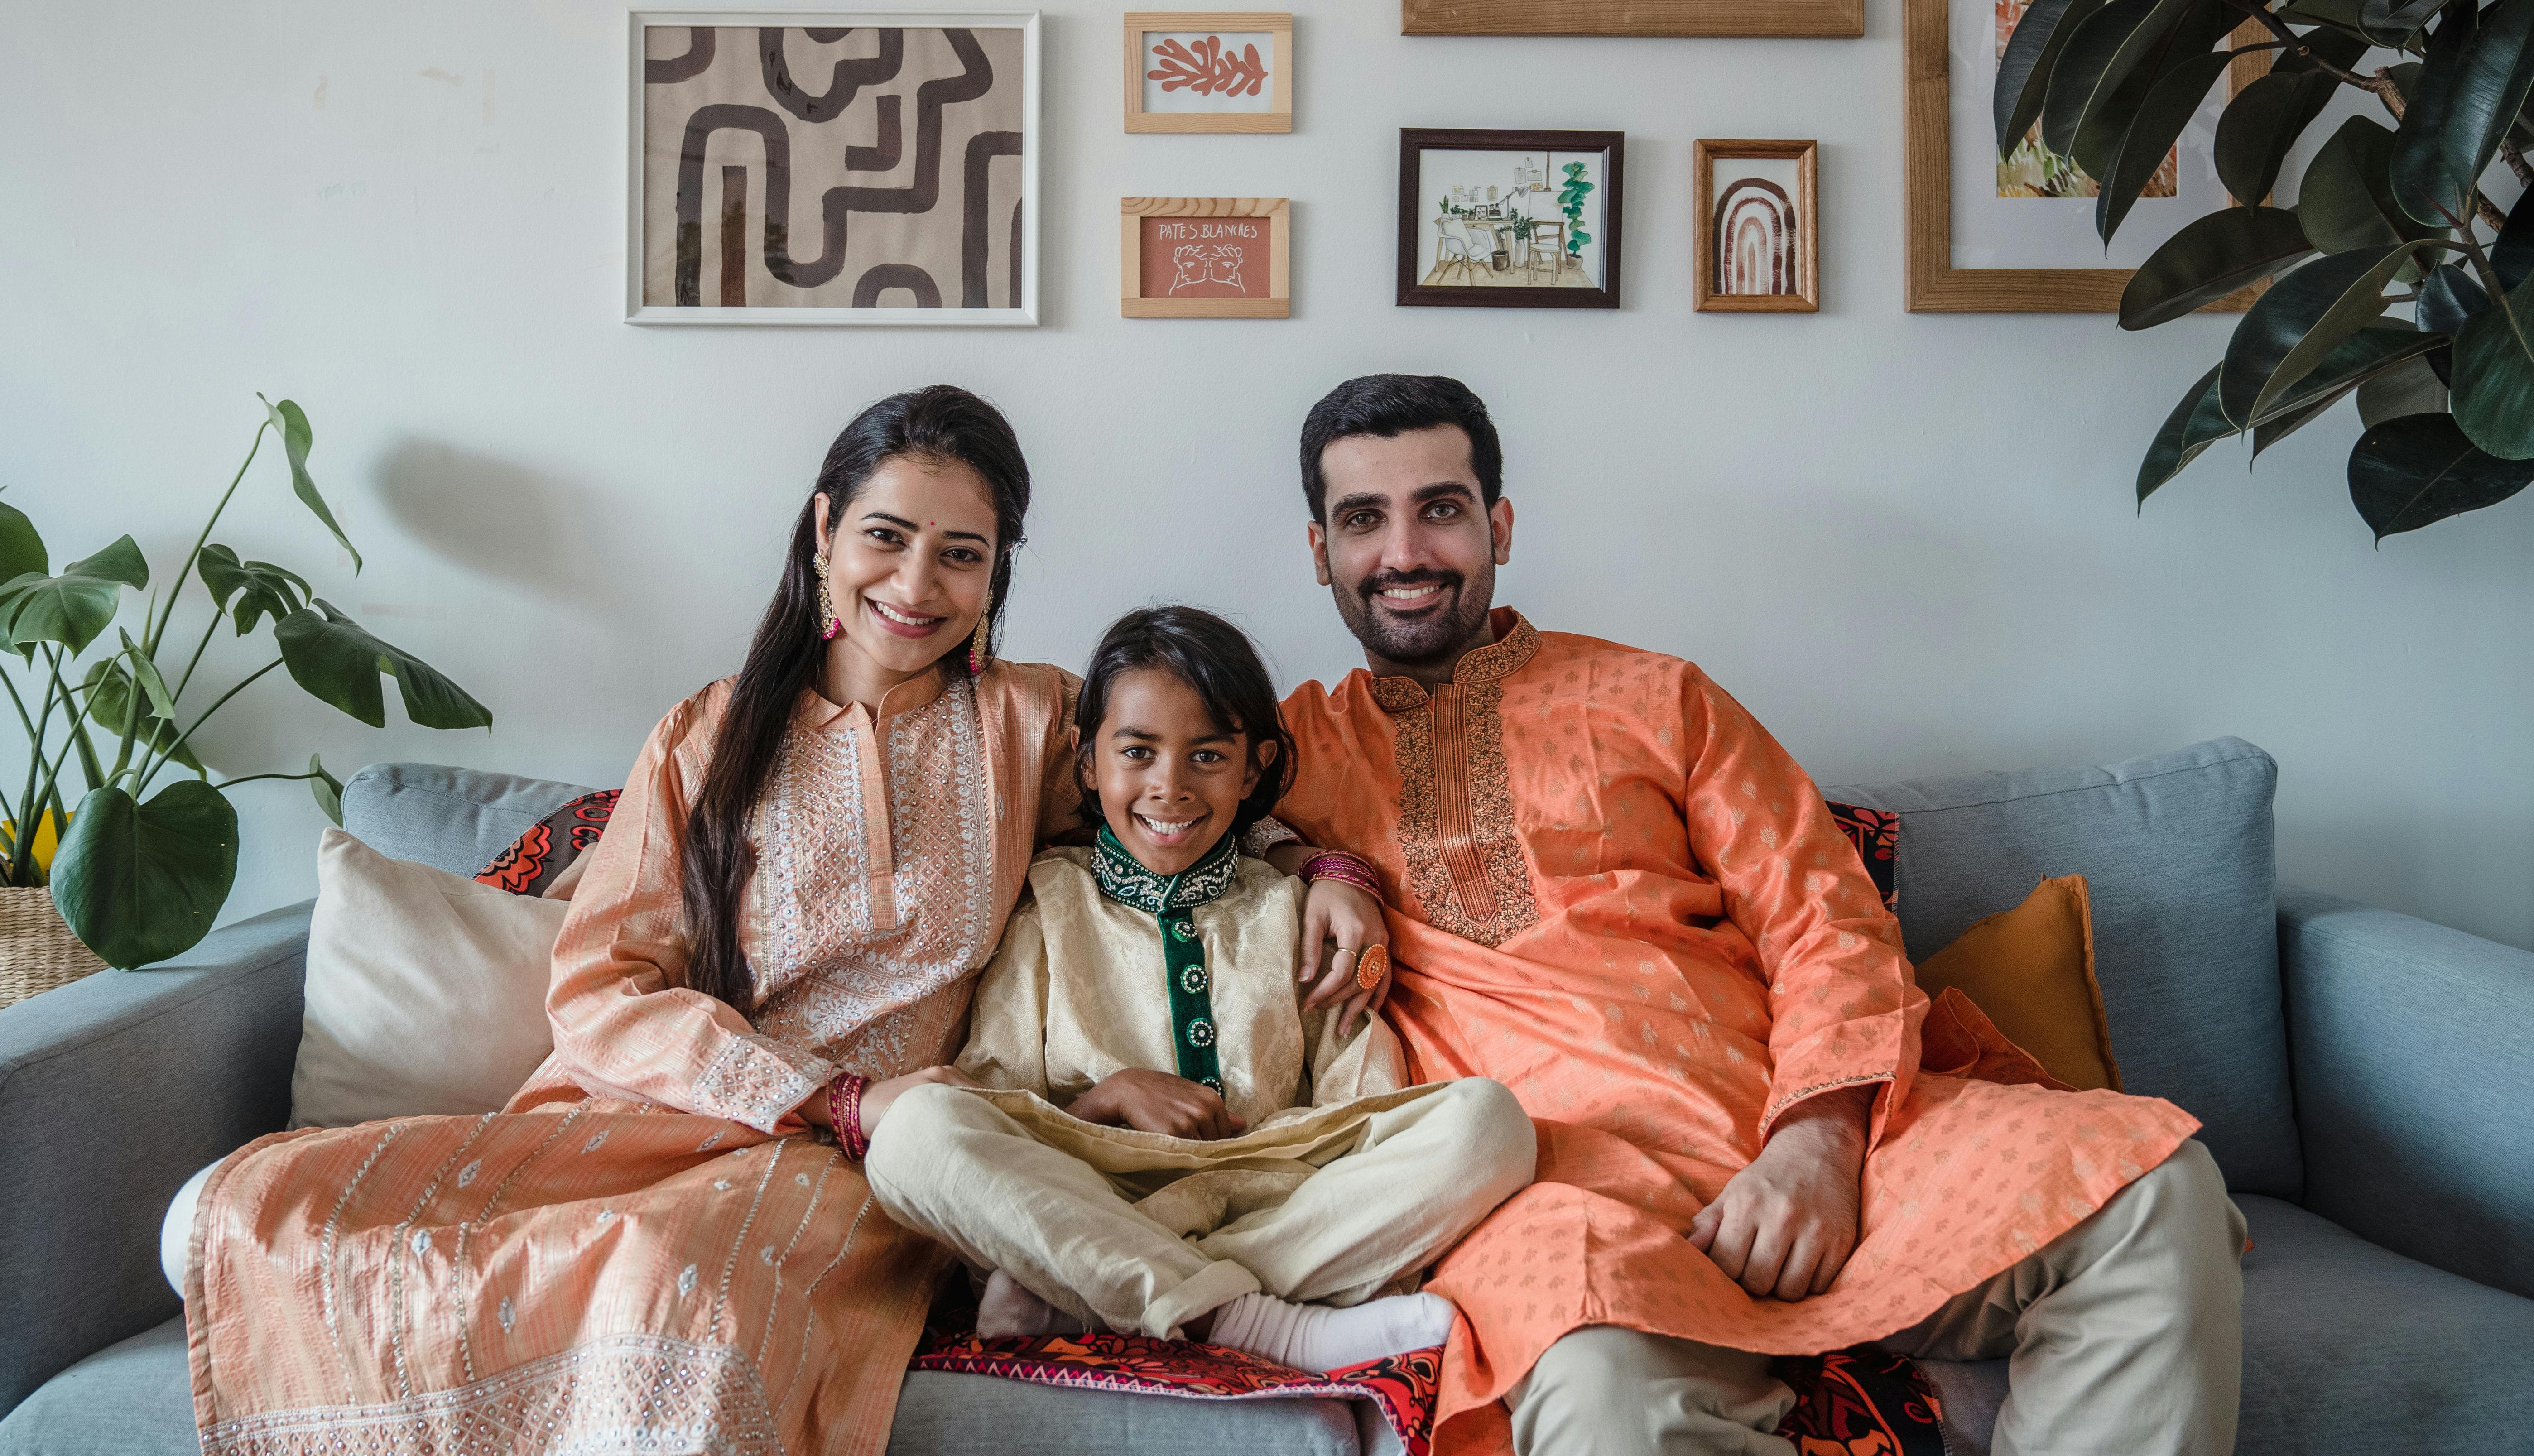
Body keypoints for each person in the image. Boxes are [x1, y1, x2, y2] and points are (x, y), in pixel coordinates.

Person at [173, 387, 1390, 1456]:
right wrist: (807, 1089)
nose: (916, 587)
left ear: (996, 573)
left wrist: (1327, 865)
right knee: (233, 1215)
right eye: (886, 537)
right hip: (662, 1117)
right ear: (823, 529)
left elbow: (1177, 796)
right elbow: (602, 991)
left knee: (671, 1288)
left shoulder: (1029, 724)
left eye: (961, 556)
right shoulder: (706, 736)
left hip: (869, 1163)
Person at [1272, 374, 2247, 1456]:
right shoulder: (1278, 754)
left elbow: (1822, 912)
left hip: (1822, 1143)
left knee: (2152, 1187)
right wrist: (1309, 857)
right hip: (1561, 1197)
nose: (1404, 550)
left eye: (1440, 508)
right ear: (1320, 549)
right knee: (1601, 1393)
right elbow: (1121, 801)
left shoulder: (1658, 697)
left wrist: (1815, 1144)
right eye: (1363, 518)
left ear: (1496, 524)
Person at [863, 606, 1535, 1373]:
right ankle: (1269, 1325)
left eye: (1207, 757)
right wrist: (1107, 1097)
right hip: (1096, 1189)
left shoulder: (1291, 909)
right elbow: (993, 1098)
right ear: (1088, 765)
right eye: (1138, 753)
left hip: (1278, 1192)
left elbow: (1357, 1090)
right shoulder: (1049, 901)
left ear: (1252, 770)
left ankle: (1104, 1288)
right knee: (913, 1134)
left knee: (1491, 1125)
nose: (1170, 787)